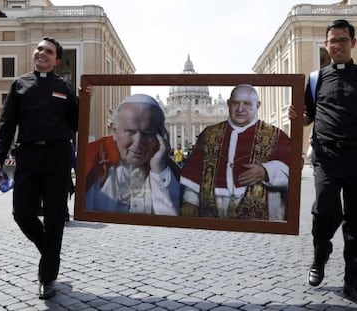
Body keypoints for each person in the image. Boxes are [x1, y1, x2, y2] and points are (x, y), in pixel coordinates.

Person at [0, 37, 78, 300]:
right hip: (28, 155)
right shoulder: (19, 84)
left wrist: (84, 100)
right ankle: (51, 252)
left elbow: (75, 123)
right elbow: (7, 124)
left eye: (48, 52)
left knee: (55, 218)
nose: (42, 53)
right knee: (22, 212)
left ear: (57, 60)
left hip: (58, 156)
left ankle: (47, 278)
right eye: (39, 49)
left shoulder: (65, 87)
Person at [289, 19, 357, 303]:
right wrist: (297, 117)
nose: (337, 45)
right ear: (326, 45)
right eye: (333, 41)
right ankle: (320, 255)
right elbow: (308, 116)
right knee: (324, 212)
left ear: (352, 43)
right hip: (326, 157)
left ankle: (352, 281)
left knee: (356, 223)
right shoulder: (316, 80)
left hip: (356, 157)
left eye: (343, 40)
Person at [180, 84, 290, 220]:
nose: (240, 109)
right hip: (211, 213)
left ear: (258, 105)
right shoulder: (209, 134)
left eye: (247, 104)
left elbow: (292, 167)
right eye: (235, 103)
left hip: (262, 214)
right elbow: (195, 171)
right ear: (228, 104)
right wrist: (190, 201)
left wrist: (267, 171)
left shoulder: (277, 135)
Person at [85, 93, 180, 215]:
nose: (138, 143)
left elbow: (170, 221)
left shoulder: (165, 169)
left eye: (147, 133)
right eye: (130, 132)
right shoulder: (94, 161)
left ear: (161, 136)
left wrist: (159, 169)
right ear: (114, 131)